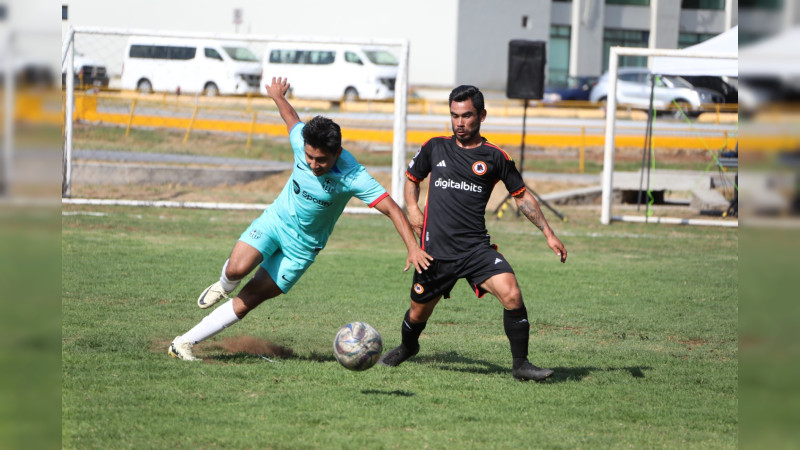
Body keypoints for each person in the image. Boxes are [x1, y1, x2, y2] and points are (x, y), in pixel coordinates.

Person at [168, 77, 433, 361]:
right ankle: (224, 284)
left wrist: (412, 248)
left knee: (249, 299)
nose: (313, 165)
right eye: (309, 157)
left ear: (338, 152)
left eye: (321, 160)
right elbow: (291, 118)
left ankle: (183, 343)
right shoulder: (300, 142)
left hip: (302, 249)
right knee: (236, 270)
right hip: (275, 222)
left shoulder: (353, 175)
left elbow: (393, 209)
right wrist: (278, 96)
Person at [378, 85, 568, 381]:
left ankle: (521, 365)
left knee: (512, 293)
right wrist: (413, 208)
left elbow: (521, 197)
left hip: (475, 250)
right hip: (435, 253)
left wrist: (548, 233)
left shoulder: (496, 157)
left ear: (482, 116)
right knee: (417, 314)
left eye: (466, 115)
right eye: (454, 116)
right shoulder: (434, 147)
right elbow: (412, 178)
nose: (459, 122)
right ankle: (408, 347)